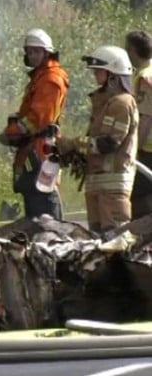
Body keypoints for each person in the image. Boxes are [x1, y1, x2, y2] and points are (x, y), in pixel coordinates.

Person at [60, 46, 138, 234]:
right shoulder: (106, 103)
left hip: (112, 187)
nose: (95, 75)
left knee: (115, 241)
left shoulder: (122, 102)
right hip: (98, 182)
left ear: (113, 74)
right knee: (96, 243)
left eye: (99, 71)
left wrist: (74, 143)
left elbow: (110, 143)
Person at [0, 28, 69, 219]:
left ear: (47, 52)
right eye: (29, 52)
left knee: (43, 198)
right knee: (34, 197)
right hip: (34, 148)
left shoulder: (51, 79)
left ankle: (54, 241)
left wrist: (13, 132)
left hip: (42, 149)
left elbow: (38, 119)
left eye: (37, 51)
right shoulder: (40, 77)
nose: (32, 55)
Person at [125, 30, 152, 218]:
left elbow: (145, 117)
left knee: (138, 198)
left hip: (147, 150)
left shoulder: (144, 78)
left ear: (133, 50)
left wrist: (134, 149)